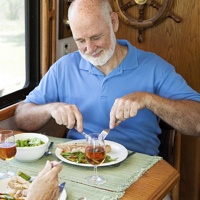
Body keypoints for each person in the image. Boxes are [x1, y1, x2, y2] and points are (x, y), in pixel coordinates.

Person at [15, 0, 200, 156]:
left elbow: (197, 122)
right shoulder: (64, 68)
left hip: (140, 171)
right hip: (79, 164)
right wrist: (50, 109)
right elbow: (21, 117)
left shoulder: (154, 67)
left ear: (113, 22)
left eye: (96, 37)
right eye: (80, 41)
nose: (89, 48)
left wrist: (148, 99)